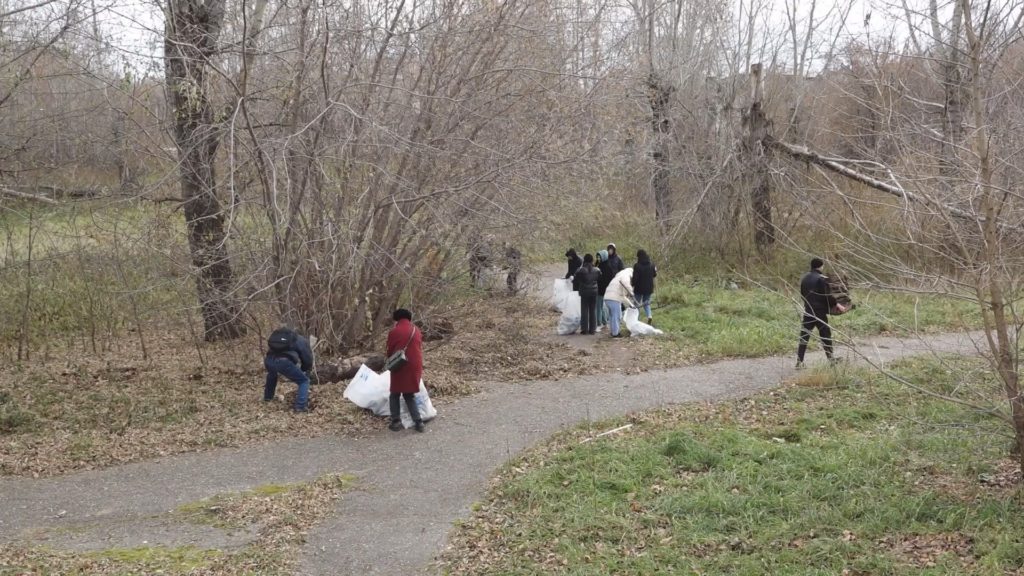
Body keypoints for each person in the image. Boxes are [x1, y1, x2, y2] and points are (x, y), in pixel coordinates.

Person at [386, 308, 426, 432]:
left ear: (396, 319)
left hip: (400, 364)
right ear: (409, 318)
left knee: (394, 393)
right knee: (409, 394)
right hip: (415, 364)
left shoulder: (394, 331)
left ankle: (396, 421)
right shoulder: (416, 330)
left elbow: (390, 351)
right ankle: (419, 422)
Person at [796, 257, 838, 368]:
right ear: (820, 266)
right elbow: (826, 296)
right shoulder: (821, 279)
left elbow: (802, 295)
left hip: (808, 311)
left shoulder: (804, 279)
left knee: (804, 336)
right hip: (819, 313)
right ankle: (831, 360)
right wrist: (836, 304)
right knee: (825, 335)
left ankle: (799, 362)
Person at [264, 326, 315, 412]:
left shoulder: (280, 337)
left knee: (272, 375)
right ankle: (300, 407)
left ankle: (267, 398)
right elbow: (307, 358)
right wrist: (305, 369)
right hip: (283, 362)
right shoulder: (300, 340)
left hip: (269, 360)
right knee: (303, 381)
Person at [603, 267, 635, 338]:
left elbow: (623, 296)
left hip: (608, 297)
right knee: (616, 316)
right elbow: (626, 283)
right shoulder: (626, 275)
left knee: (612, 316)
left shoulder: (617, 278)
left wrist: (631, 305)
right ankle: (615, 333)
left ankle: (613, 332)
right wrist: (631, 292)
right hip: (614, 299)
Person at [575, 254, 601, 335]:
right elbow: (599, 278)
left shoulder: (581, 270)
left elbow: (576, 277)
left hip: (584, 291)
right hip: (594, 292)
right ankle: (592, 329)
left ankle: (584, 329)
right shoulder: (597, 270)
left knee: (584, 310)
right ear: (592, 260)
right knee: (593, 310)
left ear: (584, 260)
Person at [632, 249, 658, 324]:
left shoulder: (637, 266)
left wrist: (632, 285)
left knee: (636, 303)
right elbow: (654, 275)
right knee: (646, 303)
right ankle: (649, 315)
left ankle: (635, 319)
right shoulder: (652, 265)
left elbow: (635, 278)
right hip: (649, 288)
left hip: (639, 288)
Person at [596, 249, 612, 328]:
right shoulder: (600, 265)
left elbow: (604, 279)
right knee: (602, 306)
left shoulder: (605, 267)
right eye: (598, 257)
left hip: (601, 289)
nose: (598, 259)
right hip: (602, 289)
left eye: (600, 257)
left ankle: (598, 322)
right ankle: (604, 321)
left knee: (599, 306)